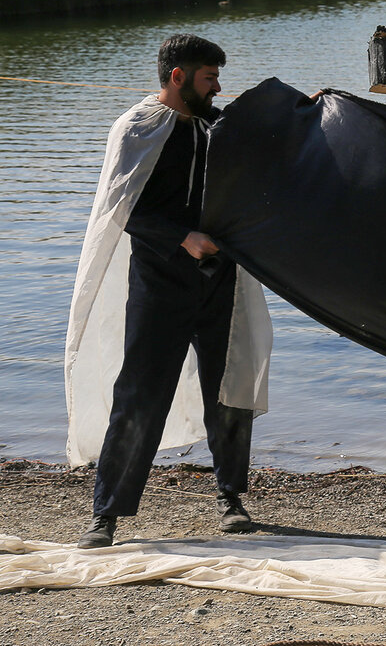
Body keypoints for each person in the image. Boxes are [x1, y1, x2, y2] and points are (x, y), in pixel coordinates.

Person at [65, 34, 272, 549]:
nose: (218, 86)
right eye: (209, 77)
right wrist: (182, 237)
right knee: (140, 394)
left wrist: (300, 111)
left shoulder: (214, 125)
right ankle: (106, 514)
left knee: (227, 393)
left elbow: (267, 142)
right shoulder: (137, 127)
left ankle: (231, 500)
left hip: (220, 282)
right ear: (178, 77)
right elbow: (121, 207)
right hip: (159, 284)